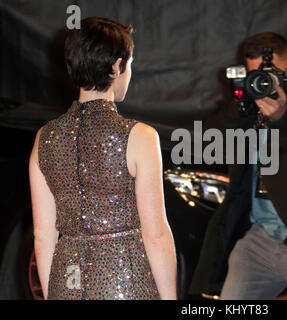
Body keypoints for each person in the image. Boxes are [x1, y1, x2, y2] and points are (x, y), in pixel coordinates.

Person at [29, 17, 177, 300]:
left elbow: (43, 236)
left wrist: (53, 294)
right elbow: (156, 235)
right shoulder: (139, 136)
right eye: (130, 64)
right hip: (126, 286)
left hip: (65, 284)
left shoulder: (44, 138)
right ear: (117, 66)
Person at [189, 32, 287, 300]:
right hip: (260, 237)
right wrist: (241, 101)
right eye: (255, 74)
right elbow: (208, 142)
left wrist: (283, 118)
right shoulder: (253, 96)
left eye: (269, 72)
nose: (263, 81)